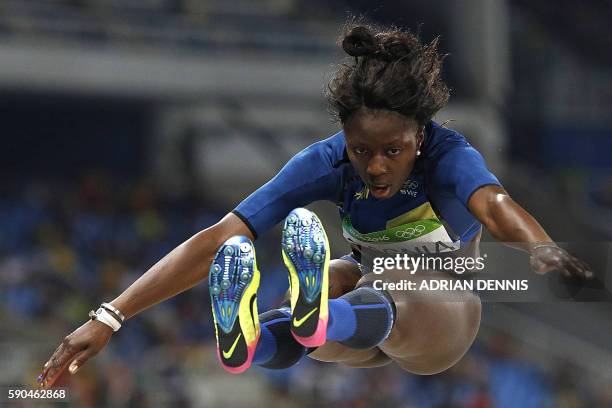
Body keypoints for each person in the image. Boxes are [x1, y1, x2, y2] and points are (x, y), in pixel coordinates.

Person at [38, 21, 591, 387]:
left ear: (420, 137)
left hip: (441, 319)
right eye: (361, 151)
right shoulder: (324, 162)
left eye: (392, 151)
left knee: (396, 279)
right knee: (330, 290)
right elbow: (218, 238)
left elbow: (495, 206)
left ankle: (304, 319)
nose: (374, 167)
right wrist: (110, 315)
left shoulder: (451, 155)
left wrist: (542, 250)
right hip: (364, 319)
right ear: (344, 138)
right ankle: (254, 340)